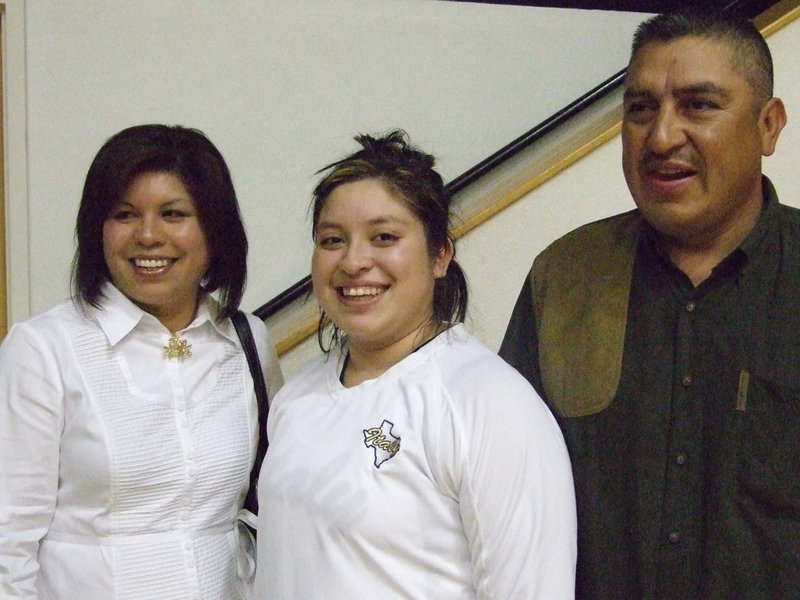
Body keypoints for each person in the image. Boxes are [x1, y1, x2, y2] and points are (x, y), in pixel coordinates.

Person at [500, 9, 795, 599]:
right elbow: (501, 497)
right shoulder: (565, 281)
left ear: (768, 125)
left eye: (699, 105)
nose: (661, 137)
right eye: (640, 109)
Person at [254, 130, 576, 598]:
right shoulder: (295, 397)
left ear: (440, 254)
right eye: (332, 240)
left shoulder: (489, 403)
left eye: (384, 237)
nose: (353, 261)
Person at [0, 124, 283, 598]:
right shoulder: (43, 348)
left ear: (214, 229)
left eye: (173, 214)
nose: (148, 236)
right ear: (98, 229)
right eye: (124, 215)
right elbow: (8, 538)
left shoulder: (247, 340)